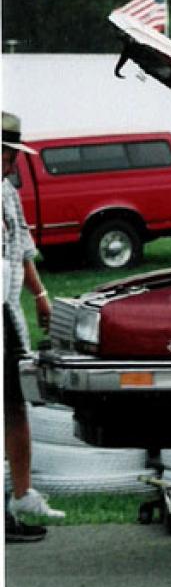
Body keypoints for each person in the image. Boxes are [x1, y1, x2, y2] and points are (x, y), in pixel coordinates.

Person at [3, 111, 64, 542]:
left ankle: (22, 495)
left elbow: (21, 247)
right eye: (6, 155)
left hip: (7, 310)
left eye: (13, 156)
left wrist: (40, 294)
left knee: (15, 403)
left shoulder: (8, 192)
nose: (11, 163)